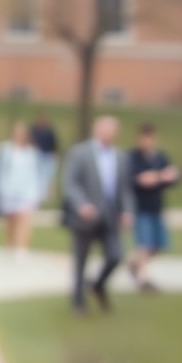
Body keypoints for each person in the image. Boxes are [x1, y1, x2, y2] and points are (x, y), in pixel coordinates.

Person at [62, 116, 136, 316]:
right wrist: (81, 204)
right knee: (81, 261)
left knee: (116, 256)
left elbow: (125, 189)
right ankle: (78, 302)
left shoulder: (121, 157)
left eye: (113, 129)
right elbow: (70, 183)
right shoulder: (80, 153)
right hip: (85, 216)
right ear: (97, 130)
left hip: (110, 216)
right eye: (105, 129)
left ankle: (98, 284)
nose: (109, 133)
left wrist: (128, 211)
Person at [128, 123, 180, 292]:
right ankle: (145, 279)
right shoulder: (133, 157)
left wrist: (159, 178)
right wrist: (161, 176)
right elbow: (141, 180)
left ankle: (133, 263)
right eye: (145, 138)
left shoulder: (160, 157)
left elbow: (173, 178)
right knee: (145, 243)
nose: (148, 141)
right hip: (139, 206)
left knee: (159, 246)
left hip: (156, 206)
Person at [0, 122, 42, 262]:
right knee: (10, 221)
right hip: (8, 191)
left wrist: (37, 191)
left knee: (24, 220)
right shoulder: (5, 149)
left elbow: (35, 173)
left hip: (26, 191)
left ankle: (22, 249)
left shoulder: (31, 152)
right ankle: (10, 247)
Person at [29, 112, 60, 202]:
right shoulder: (34, 130)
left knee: (48, 177)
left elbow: (54, 145)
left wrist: (55, 156)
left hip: (48, 155)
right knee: (38, 176)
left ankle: (48, 196)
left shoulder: (49, 131)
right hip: (37, 155)